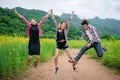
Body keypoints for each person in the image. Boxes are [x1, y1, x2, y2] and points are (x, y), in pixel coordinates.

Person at [50, 9, 75, 74]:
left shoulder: (66, 30)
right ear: (60, 25)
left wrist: (72, 14)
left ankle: (74, 63)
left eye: (64, 25)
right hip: (58, 45)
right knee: (55, 57)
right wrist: (52, 13)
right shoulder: (57, 29)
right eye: (62, 24)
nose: (63, 25)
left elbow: (69, 21)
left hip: (65, 45)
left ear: (65, 26)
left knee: (70, 57)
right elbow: (54, 20)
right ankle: (56, 67)